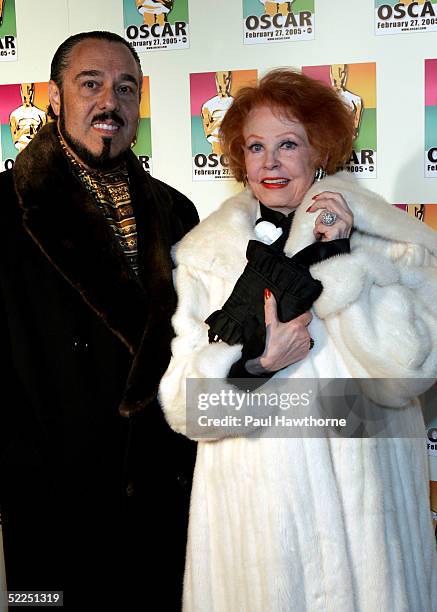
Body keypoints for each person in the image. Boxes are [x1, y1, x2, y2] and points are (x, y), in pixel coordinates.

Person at [159, 69, 437, 611]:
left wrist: (340, 264)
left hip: (367, 518)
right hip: (257, 520)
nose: (269, 162)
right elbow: (183, 406)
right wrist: (255, 367)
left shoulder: (390, 242)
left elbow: (405, 373)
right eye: (256, 147)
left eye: (288, 144)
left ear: (321, 153)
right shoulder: (205, 258)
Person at [0, 31, 198, 610]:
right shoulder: (4, 208)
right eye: (90, 84)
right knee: (44, 604)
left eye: (126, 87)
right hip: (48, 494)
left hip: (160, 493)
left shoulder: (175, 209)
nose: (109, 102)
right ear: (54, 97)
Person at [201, 71, 234, 155]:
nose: (223, 83)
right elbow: (207, 129)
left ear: (229, 81)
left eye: (226, 79)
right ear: (216, 81)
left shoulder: (236, 104)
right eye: (220, 79)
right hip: (216, 146)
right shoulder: (208, 105)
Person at [9, 82, 47, 151]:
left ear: (33, 91)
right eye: (25, 90)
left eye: (29, 90)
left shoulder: (42, 115)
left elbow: (43, 137)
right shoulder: (14, 115)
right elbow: (14, 137)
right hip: (22, 147)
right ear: (21, 91)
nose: (27, 93)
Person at [330, 64, 363, 139]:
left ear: (345, 74)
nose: (338, 76)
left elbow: (354, 132)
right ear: (331, 74)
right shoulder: (321, 99)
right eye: (335, 72)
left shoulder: (356, 100)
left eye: (341, 72)